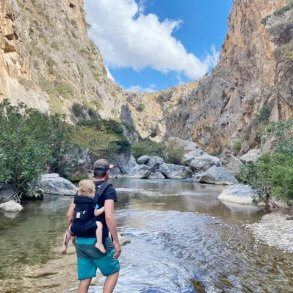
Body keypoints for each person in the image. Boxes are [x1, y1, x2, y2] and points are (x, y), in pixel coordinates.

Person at [66, 159, 121, 293]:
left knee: (85, 278)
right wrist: (116, 243)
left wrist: (72, 236)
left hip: (80, 241)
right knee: (113, 271)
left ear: (94, 171)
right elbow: (109, 216)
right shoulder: (108, 189)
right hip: (97, 240)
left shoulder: (83, 188)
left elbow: (69, 214)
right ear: (107, 172)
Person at [61, 179, 106, 255]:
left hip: (76, 226)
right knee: (99, 225)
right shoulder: (91, 201)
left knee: (69, 229)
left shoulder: (76, 200)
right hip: (87, 227)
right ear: (92, 191)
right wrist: (104, 207)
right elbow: (96, 213)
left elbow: (69, 214)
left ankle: (64, 245)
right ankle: (99, 243)